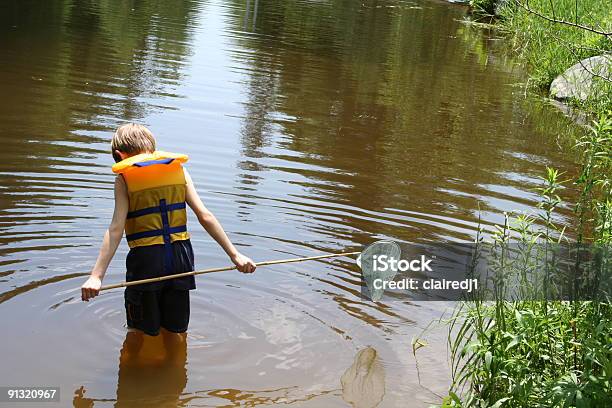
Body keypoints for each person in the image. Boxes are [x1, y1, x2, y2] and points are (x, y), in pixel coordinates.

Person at [81, 123, 256, 341]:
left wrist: (96, 276)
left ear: (119, 155)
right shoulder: (179, 170)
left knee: (138, 334)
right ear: (152, 148)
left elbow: (116, 228)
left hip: (146, 263)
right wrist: (235, 255)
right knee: (176, 333)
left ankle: (140, 372)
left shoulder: (124, 179)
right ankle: (174, 368)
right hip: (181, 258)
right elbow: (205, 216)